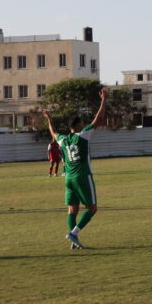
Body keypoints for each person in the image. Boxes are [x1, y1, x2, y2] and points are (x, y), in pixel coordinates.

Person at [42, 87, 109, 249]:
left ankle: (74, 240)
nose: (84, 124)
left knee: (72, 209)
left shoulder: (64, 139)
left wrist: (49, 119)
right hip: (82, 176)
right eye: (82, 123)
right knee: (92, 208)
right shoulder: (83, 135)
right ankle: (74, 233)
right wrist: (104, 100)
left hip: (69, 178)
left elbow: (53, 132)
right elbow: (98, 119)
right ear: (78, 125)